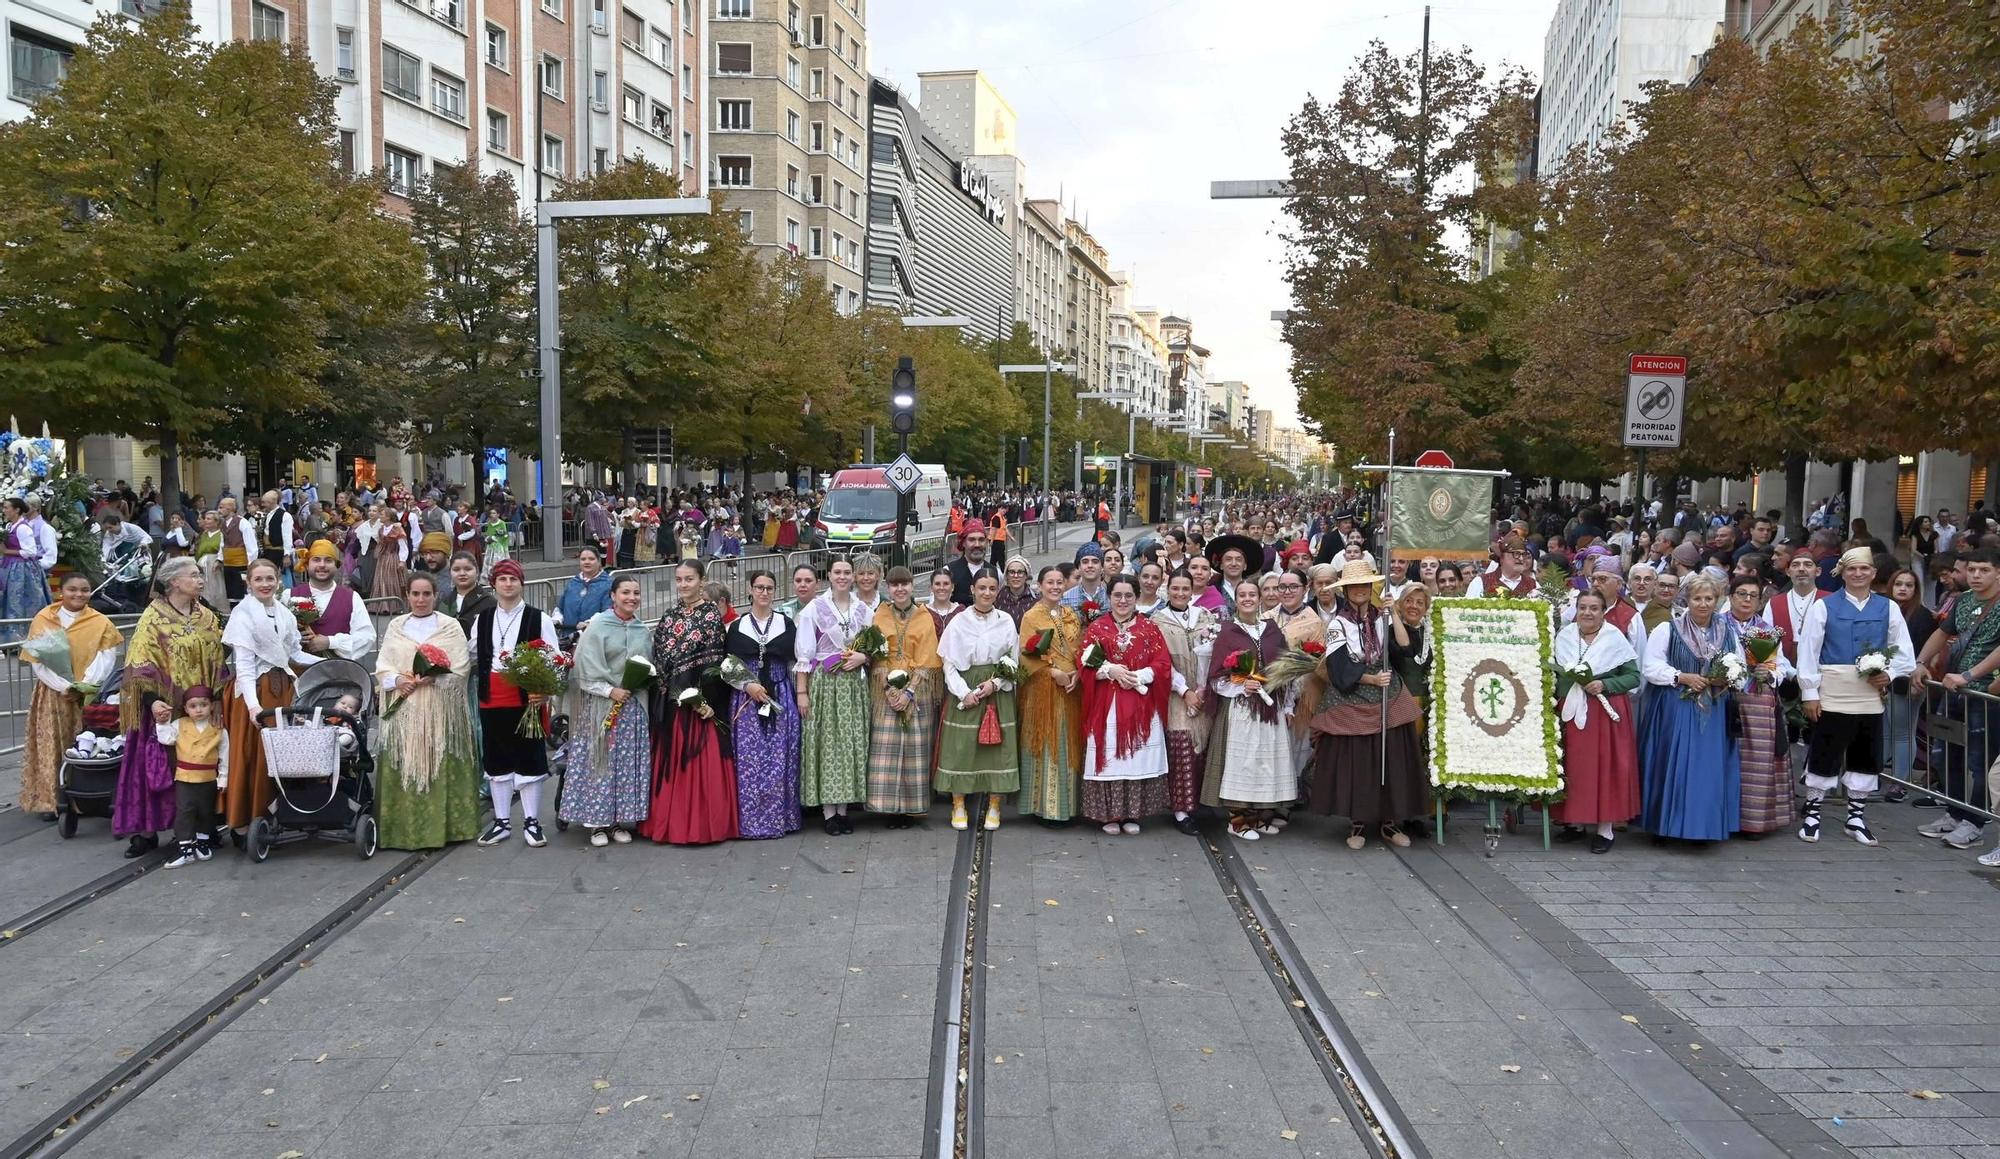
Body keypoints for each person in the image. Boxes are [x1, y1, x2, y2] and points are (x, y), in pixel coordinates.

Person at [1303, 558, 1426, 848]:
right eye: (1354, 586)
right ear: (1346, 590)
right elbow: (1338, 668)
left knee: (1392, 757)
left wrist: (1394, 614)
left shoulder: (1382, 617)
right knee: (1358, 761)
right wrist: (1370, 679)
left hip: (1388, 691)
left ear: (1371, 588)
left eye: (1365, 585)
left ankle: (1390, 822)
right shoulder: (1339, 624)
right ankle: (1357, 823)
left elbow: (1405, 648)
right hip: (1354, 689)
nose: (1360, 590)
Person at [1796, 547, 1914, 846]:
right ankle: (1813, 813)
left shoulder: (1888, 607)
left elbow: (1904, 650)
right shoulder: (1824, 607)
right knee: (1825, 748)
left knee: (1865, 751)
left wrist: (1890, 673)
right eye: (1852, 569)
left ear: (1873, 573)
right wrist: (1809, 692)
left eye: (1864, 569)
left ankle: (1856, 817)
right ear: (1842, 573)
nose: (1858, 574)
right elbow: (1808, 650)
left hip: (1869, 693)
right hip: (1833, 689)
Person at [114, 557, 226, 857]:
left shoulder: (207, 616)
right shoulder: (153, 617)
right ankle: (147, 831)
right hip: (164, 709)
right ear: (174, 582)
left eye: (200, 575)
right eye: (193, 575)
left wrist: (216, 697)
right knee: (155, 769)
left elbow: (218, 659)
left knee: (200, 767)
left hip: (199, 708)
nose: (200, 580)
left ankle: (200, 828)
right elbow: (139, 663)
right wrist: (152, 702)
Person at [373, 573, 480, 850]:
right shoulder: (396, 626)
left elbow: (461, 667)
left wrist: (436, 678)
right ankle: (401, 831)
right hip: (404, 711)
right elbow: (383, 665)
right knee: (405, 764)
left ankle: (447, 829)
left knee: (438, 762)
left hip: (439, 711)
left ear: (435, 596)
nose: (421, 600)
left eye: (426, 594)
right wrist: (398, 680)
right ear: (407, 596)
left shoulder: (450, 627)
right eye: (415, 594)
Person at [640, 560, 739, 845]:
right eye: (679, 579)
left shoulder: (710, 615)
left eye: (689, 579)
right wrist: (668, 687)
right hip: (671, 702)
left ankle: (700, 826)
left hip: (698, 704)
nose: (683, 584)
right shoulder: (669, 616)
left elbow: (713, 661)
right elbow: (660, 656)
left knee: (699, 764)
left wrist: (700, 699)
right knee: (670, 761)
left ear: (702, 581)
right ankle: (669, 824)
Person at [1640, 575, 1742, 844]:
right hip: (1676, 705)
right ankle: (1665, 826)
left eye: (1709, 598)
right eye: (1697, 598)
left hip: (1714, 708)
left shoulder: (1728, 631)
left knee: (1706, 768)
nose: (1703, 604)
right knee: (1673, 765)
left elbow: (1740, 668)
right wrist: (1682, 677)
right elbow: (1651, 666)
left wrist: (1726, 678)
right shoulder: (1668, 629)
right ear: (1687, 600)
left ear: (1717, 600)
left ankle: (1703, 827)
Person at [220, 558, 320, 832]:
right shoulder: (243, 614)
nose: (265, 584)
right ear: (249, 583)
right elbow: (244, 666)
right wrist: (253, 707)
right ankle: (248, 819)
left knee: (284, 752)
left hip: (283, 690)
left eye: (270, 579)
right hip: (256, 692)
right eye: (258, 579)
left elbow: (293, 654)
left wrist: (330, 664)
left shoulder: (284, 613)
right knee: (255, 754)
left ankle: (283, 813)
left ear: (278, 581)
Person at [468, 560, 561, 848]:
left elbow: (554, 659)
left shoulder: (538, 618)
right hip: (491, 697)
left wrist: (545, 692)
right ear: (493, 584)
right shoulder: (483, 619)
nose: (508, 584)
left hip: (526, 698)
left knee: (529, 758)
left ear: (521, 584)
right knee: (496, 759)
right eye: (502, 579)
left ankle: (532, 822)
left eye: (513, 579)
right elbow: (474, 654)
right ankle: (501, 822)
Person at [18, 573, 125, 821]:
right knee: (51, 745)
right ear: (61, 592)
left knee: (83, 743)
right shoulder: (44, 618)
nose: (79, 594)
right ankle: (51, 799)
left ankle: (84, 799)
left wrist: (84, 685)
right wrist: (63, 686)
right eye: (72, 589)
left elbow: (106, 656)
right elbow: (38, 660)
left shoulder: (100, 622)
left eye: (84, 590)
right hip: (52, 692)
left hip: (87, 693)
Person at [560, 575, 653, 844]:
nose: (631, 598)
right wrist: (609, 690)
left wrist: (638, 684)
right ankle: (596, 823)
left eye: (636, 593)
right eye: (625, 592)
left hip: (632, 706)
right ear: (613, 596)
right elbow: (585, 667)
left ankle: (618, 820)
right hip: (601, 705)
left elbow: (648, 664)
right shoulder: (598, 626)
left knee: (625, 765)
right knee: (600, 762)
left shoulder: (641, 629)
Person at [1077, 575, 1172, 835]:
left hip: (1140, 702)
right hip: (1107, 703)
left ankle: (1131, 813)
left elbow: (1163, 663)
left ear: (1136, 597)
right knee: (1111, 757)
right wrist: (1110, 670)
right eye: (1117, 595)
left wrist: (1139, 676)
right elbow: (1084, 662)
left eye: (1128, 595)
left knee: (1135, 757)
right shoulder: (1097, 627)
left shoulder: (1149, 628)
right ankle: (1109, 813)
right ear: (1109, 597)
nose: (1123, 600)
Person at [1202, 580, 1296, 839]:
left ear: (1260, 598)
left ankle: (1255, 818)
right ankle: (1237, 822)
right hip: (1241, 708)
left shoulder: (1272, 630)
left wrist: (1288, 705)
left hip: (1271, 707)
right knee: (1242, 763)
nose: (1247, 599)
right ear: (1236, 600)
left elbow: (1287, 670)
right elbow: (1216, 676)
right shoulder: (1227, 632)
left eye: (1252, 594)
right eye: (1242, 595)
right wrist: (1242, 684)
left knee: (1263, 763)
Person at [1552, 590, 1641, 853]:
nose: (1587, 613)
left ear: (1603, 612)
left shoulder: (1614, 638)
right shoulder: (1565, 637)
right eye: (1583, 607)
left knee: (1604, 770)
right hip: (1571, 712)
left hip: (1604, 714)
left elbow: (1633, 677)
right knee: (1574, 768)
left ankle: (1605, 829)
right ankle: (1575, 822)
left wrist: (1605, 684)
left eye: (1594, 608)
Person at [935, 569, 1020, 830]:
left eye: (992, 588)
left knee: (997, 749)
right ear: (972, 590)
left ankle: (994, 804)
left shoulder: (1006, 621)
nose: (987, 593)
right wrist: (964, 693)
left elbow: (1014, 660)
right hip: (966, 687)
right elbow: (949, 664)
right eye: (982, 587)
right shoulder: (959, 622)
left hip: (996, 691)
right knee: (961, 747)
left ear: (998, 591)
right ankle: (958, 804)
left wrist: (996, 683)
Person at [794, 557, 872, 835]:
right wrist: (802, 692)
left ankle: (844, 810)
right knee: (827, 744)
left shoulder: (863, 610)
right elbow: (805, 655)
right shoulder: (815, 609)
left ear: (853, 576)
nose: (842, 577)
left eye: (846, 572)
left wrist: (863, 657)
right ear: (829, 575)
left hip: (852, 685)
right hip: (825, 683)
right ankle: (829, 813)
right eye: (837, 572)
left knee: (850, 743)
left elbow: (872, 648)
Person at [721, 570, 801, 839]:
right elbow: (727, 664)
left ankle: (780, 819)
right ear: (750, 590)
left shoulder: (786, 623)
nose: (764, 592)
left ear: (775, 591)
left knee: (779, 757)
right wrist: (748, 685)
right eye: (759, 587)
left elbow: (795, 660)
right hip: (746, 698)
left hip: (779, 693)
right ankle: (750, 821)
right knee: (749, 760)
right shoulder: (737, 626)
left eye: (769, 588)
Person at [868, 566, 941, 827]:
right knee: (885, 747)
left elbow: (928, 656)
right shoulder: (880, 614)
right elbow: (878, 655)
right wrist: (890, 691)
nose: (900, 589)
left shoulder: (924, 615)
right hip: (885, 688)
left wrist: (909, 692)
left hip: (917, 688)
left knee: (914, 749)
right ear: (888, 588)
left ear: (912, 586)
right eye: (895, 585)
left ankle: (911, 808)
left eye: (904, 584)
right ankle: (889, 808)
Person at [1723, 576, 1794, 838]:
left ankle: (1752, 822)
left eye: (1753, 596)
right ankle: (1723, 818)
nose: (1747, 600)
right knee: (1725, 757)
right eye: (1741, 594)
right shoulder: (1717, 625)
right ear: (1730, 597)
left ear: (1760, 601)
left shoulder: (1766, 630)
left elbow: (1782, 665)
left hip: (1758, 700)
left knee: (1757, 762)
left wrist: (1770, 673)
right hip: (1724, 697)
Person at [1017, 565, 1085, 824]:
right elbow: (1026, 656)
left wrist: (1078, 672)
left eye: (1059, 582)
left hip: (1071, 689)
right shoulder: (1032, 616)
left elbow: (1080, 648)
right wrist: (1052, 672)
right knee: (1046, 741)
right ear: (1040, 586)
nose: (1055, 587)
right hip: (1042, 688)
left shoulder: (1071, 614)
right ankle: (1044, 807)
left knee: (1068, 741)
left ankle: (1069, 807)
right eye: (1050, 582)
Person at [1153, 571, 1217, 834]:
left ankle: (1200, 803)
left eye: (1185, 589)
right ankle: (1181, 809)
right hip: (1175, 691)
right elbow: (1160, 662)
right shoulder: (1158, 620)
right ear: (1168, 590)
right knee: (1181, 745)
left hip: (1204, 691)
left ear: (1192, 591)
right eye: (1175, 588)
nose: (1180, 593)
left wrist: (1202, 687)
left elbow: (1215, 652)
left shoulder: (1205, 616)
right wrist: (1185, 690)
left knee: (1205, 746)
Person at [148, 688, 225, 867]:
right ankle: (185, 850)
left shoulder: (218, 727)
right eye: (193, 706)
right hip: (185, 778)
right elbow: (166, 739)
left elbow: (224, 754)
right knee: (184, 812)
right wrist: (163, 723)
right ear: (185, 708)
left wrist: (223, 778)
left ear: (211, 706)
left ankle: (203, 844)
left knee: (206, 812)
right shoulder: (179, 724)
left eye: (203, 705)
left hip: (208, 778)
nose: (199, 710)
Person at [1883, 567, 1935, 804]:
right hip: (1884, 680)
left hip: (1909, 681)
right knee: (1887, 731)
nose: (1903, 588)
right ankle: (1882, 775)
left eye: (1909, 585)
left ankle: (1900, 782)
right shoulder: (1885, 609)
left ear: (1916, 589)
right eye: (1898, 584)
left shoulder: (1922, 616)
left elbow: (1925, 653)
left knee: (1903, 733)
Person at [292, 540, 376, 662]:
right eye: (316, 560)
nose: (322, 565)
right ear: (307, 564)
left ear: (336, 565)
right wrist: (295, 638)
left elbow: (367, 636)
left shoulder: (351, 598)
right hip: (300, 671)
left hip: (339, 670)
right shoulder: (291, 595)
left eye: (328, 560)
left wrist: (331, 642)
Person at [0, 496, 50, 642]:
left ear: (17, 510)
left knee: (19, 602)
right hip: (9, 566)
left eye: (6, 508)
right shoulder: (9, 526)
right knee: (9, 600)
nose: (4, 510)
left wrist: (7, 551)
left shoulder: (23, 528)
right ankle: (9, 636)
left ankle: (23, 635)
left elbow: (31, 552)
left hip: (22, 570)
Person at [554, 546, 614, 638]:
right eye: (583, 559)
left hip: (594, 637)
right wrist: (557, 619)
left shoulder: (608, 584)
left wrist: (589, 623)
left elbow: (609, 612)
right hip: (568, 636)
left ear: (599, 562)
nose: (587, 562)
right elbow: (560, 607)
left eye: (591, 559)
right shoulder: (573, 583)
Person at [363, 504, 409, 602]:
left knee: (391, 581)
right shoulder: (381, 529)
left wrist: (402, 561)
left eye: (382, 514)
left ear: (388, 517)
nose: (379, 516)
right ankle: (382, 604)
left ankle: (393, 604)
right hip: (382, 559)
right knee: (381, 580)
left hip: (393, 558)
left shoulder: (397, 529)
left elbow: (403, 546)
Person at [439, 551, 496, 624]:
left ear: (477, 572)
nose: (462, 573)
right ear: (450, 573)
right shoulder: (444, 603)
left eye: (468, 569)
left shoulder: (489, 602)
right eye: (456, 569)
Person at [947, 520, 994, 606]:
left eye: (981, 540)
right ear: (963, 543)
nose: (977, 545)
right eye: (972, 540)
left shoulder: (996, 573)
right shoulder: (948, 572)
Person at [996, 558, 1037, 624]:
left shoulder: (1036, 599)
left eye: (1020, 572)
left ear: (1026, 575)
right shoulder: (998, 598)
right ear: (1007, 575)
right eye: (1012, 572)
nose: (1016, 576)